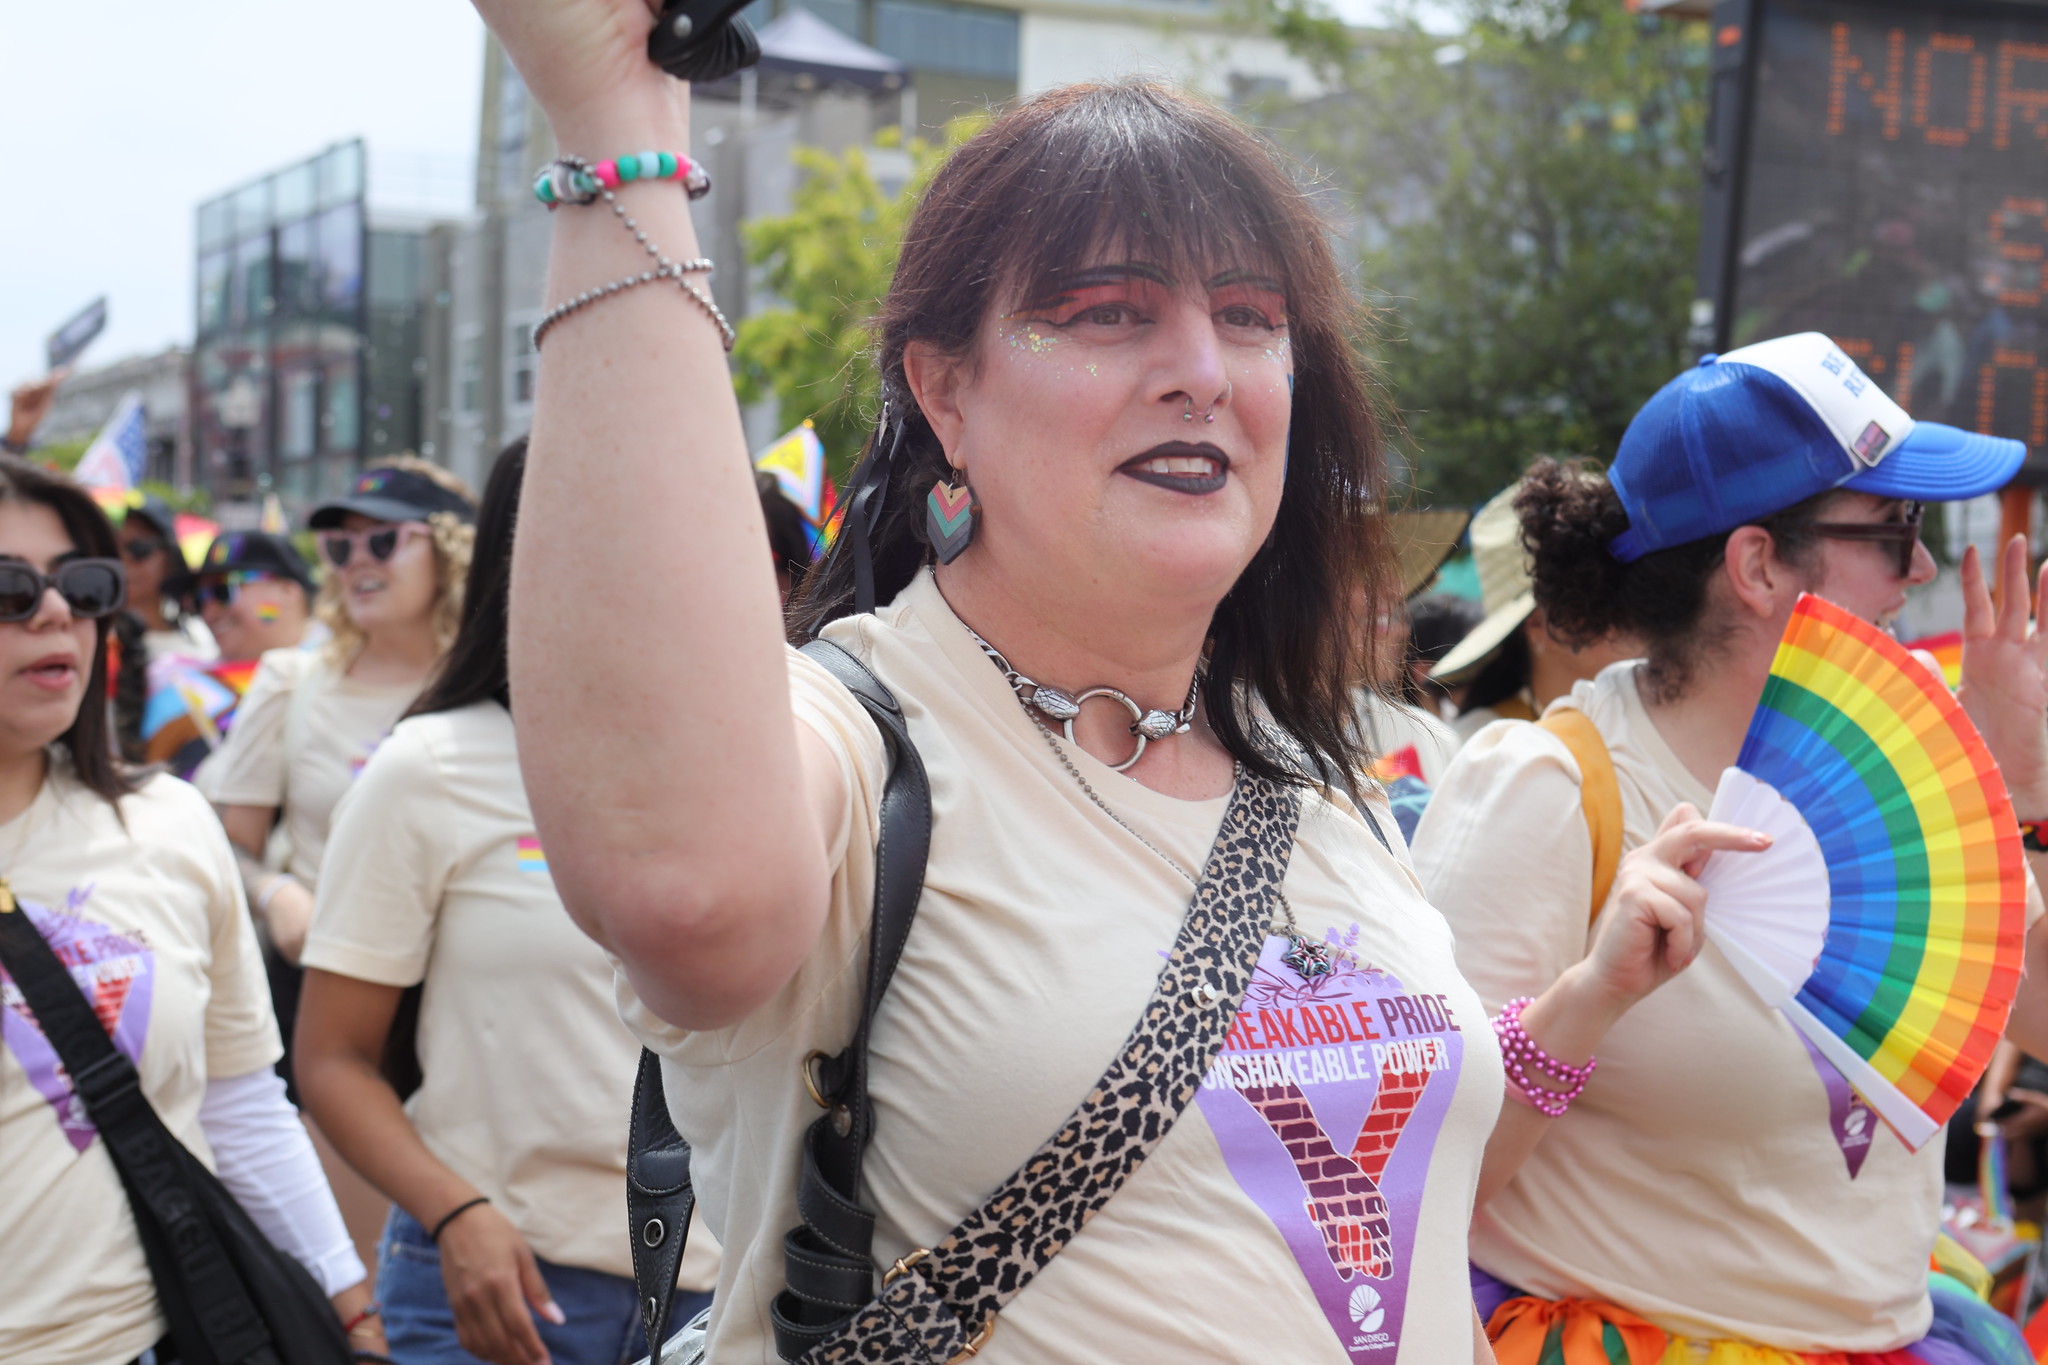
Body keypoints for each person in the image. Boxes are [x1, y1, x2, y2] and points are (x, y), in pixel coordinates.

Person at [485, 9, 1745, 1354]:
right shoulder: (857, 744)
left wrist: (1590, 998)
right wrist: (619, 126)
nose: (1201, 371)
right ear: (947, 393)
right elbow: (686, 889)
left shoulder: (1319, 779)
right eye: (1105, 313)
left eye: (1252, 318)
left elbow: (1386, 1231)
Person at [1412, 333, 2048, 1361]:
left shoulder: (1905, 764)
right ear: (1755, 565)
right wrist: (1590, 999)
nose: (1921, 567)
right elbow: (1412, 1175)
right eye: (1893, 528)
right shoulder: (1550, 789)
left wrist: (2018, 796)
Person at [296, 440, 719, 1365]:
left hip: (722, 1302)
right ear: (517, 554)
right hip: (498, 1290)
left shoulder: (770, 764)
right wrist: (456, 1213)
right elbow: (330, 1056)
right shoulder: (429, 768)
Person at [0, 455, 384, 1362]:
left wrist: (353, 1308)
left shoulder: (170, 823)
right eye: (11, 588)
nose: (55, 611)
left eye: (80, 584)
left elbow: (241, 1103)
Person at [1433, 480, 1638, 741]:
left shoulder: (1648, 716)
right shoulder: (1491, 745)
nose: (1634, 609)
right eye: (1601, 595)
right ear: (1538, 624)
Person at [144, 530, 319, 781]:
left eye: (222, 591)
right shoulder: (172, 683)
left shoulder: (348, 671)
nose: (209, 611)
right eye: (198, 599)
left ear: (287, 591)